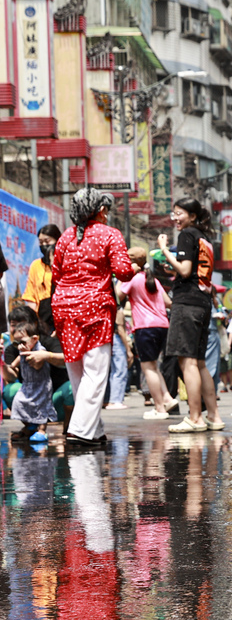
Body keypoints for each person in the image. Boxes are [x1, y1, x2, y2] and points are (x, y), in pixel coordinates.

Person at [50, 188, 134, 446]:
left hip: (63, 306)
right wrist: (132, 267)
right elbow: (123, 271)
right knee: (95, 372)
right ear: (99, 210)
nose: (107, 214)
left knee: (77, 370)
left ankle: (93, 429)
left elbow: (55, 274)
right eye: (106, 209)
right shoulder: (110, 234)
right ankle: (79, 430)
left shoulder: (65, 237)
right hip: (94, 307)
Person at [156, 197, 225, 434]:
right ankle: (213, 416)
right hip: (204, 302)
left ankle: (195, 417)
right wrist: (173, 266)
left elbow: (185, 270)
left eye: (179, 213)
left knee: (188, 362)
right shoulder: (204, 237)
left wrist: (165, 250)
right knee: (201, 362)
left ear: (192, 216)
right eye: (173, 213)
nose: (175, 218)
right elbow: (191, 269)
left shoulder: (187, 235)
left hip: (187, 302)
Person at [120, 247, 178, 420]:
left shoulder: (132, 279)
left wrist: (121, 278)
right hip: (162, 325)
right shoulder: (152, 279)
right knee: (153, 366)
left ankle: (159, 408)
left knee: (148, 368)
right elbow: (168, 302)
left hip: (144, 327)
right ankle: (167, 398)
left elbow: (118, 295)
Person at [1, 305, 71, 423]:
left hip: (54, 400)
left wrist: (47, 356)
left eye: (21, 323)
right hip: (31, 399)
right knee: (10, 390)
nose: (17, 328)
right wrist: (1, 363)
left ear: (34, 324)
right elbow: (12, 376)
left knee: (71, 388)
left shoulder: (48, 342)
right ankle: (31, 426)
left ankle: (69, 426)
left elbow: (67, 360)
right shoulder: (12, 349)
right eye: (13, 325)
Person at [6, 320, 57, 441]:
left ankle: (41, 430)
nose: (19, 346)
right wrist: (11, 366)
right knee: (18, 404)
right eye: (16, 343)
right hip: (27, 385)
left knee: (41, 407)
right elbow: (16, 361)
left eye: (22, 342)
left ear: (34, 339)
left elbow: (37, 366)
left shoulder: (40, 351)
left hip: (41, 385)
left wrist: (26, 353)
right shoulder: (22, 350)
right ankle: (30, 426)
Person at [22, 224, 61, 333]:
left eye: (47, 241)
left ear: (58, 240)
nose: (44, 245)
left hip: (62, 318)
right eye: (41, 242)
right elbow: (31, 297)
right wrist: (36, 323)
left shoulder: (65, 263)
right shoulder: (36, 265)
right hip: (43, 322)